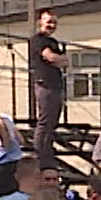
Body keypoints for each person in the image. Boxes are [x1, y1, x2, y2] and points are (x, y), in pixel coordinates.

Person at [28, 10, 68, 161]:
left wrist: (59, 60)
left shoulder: (53, 42)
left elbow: (65, 63)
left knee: (53, 120)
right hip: (45, 83)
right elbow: (50, 57)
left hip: (56, 84)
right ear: (40, 23)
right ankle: (39, 152)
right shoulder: (38, 39)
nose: (51, 25)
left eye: (54, 23)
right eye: (48, 22)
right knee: (45, 120)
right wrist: (59, 59)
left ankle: (47, 148)